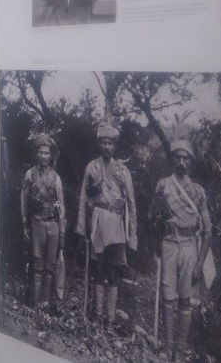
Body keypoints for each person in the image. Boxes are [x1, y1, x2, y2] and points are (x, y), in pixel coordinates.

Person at [149, 139, 211, 360]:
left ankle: (180, 348)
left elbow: (208, 230)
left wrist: (201, 263)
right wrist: (157, 239)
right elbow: (151, 216)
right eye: (178, 157)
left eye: (186, 158)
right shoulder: (163, 185)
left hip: (189, 247)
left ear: (191, 162)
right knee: (168, 296)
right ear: (172, 159)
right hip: (168, 243)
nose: (182, 162)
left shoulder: (198, 192)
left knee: (185, 298)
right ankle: (167, 346)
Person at [76, 124, 137, 327]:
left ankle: (110, 321)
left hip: (117, 224)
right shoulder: (91, 168)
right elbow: (84, 197)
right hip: (97, 223)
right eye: (103, 142)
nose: (106, 146)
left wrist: (133, 235)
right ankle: (98, 316)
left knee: (113, 274)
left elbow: (131, 203)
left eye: (110, 143)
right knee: (98, 271)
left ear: (115, 145)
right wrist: (81, 226)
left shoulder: (122, 170)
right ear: (99, 143)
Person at [20, 133, 65, 308]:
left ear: (51, 155)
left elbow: (61, 206)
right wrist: (25, 225)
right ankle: (36, 303)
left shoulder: (56, 178)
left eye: (47, 153)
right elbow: (23, 201)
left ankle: (45, 303)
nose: (44, 156)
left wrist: (61, 231)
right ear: (36, 154)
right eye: (41, 152)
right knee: (37, 264)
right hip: (36, 223)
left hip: (53, 225)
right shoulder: (30, 175)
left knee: (50, 266)